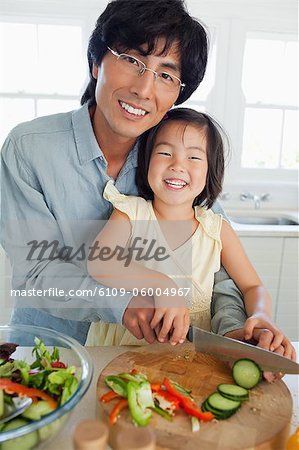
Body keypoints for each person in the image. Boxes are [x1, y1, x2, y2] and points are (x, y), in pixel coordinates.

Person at [0, 0, 279, 357]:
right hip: (47, 351)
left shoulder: (174, 156)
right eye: (132, 60)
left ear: (178, 92)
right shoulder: (29, 149)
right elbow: (35, 274)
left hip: (150, 362)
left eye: (166, 74)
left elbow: (217, 269)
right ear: (96, 63)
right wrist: (126, 300)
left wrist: (235, 329)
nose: (145, 89)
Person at [86, 108, 296, 365]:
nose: (177, 165)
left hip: (190, 360)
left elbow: (253, 286)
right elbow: (99, 262)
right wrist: (161, 284)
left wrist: (262, 315)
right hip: (121, 352)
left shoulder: (217, 230)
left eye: (194, 157)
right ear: (146, 160)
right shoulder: (129, 213)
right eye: (165, 153)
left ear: (210, 170)